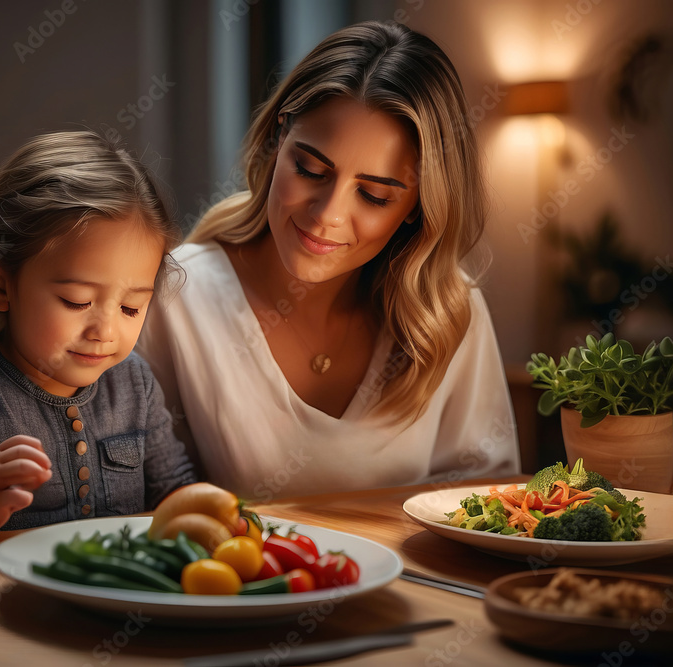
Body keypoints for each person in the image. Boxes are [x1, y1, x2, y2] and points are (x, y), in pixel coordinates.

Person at [137, 21, 520, 500]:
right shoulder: (178, 294)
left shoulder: (450, 307)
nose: (327, 217)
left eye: (375, 195)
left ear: (418, 207)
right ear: (278, 139)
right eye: (310, 169)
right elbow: (145, 507)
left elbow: (488, 503)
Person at [0, 130, 196, 539]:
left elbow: (175, 493)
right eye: (77, 301)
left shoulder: (134, 383)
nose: (105, 330)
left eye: (131, 307)